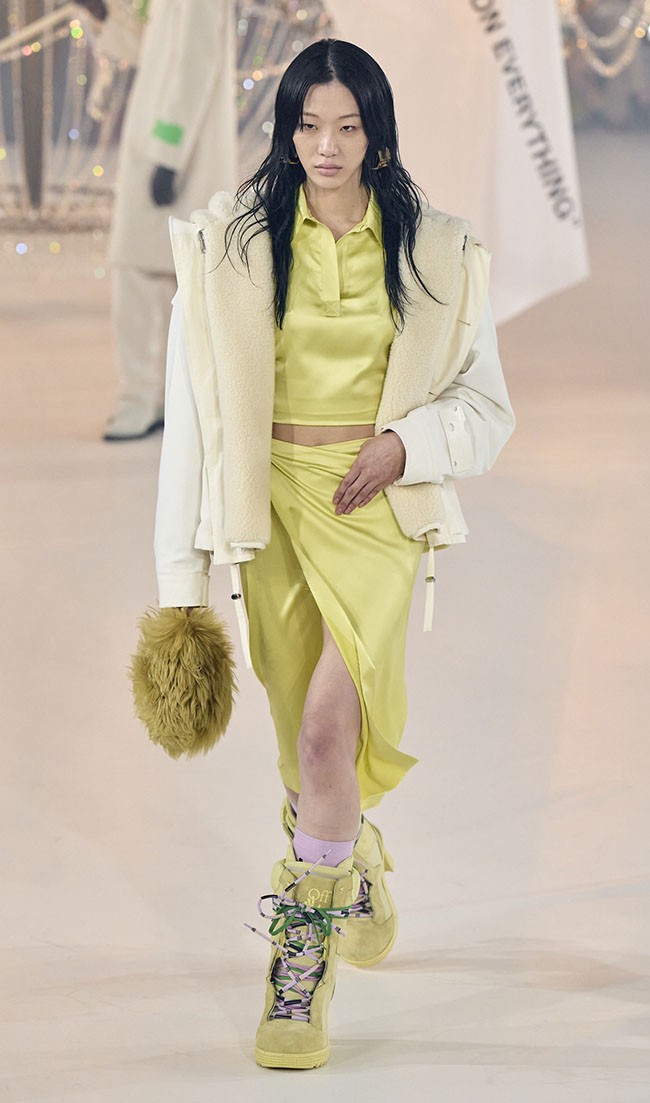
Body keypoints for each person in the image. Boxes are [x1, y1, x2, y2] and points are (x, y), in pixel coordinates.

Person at [153, 38, 515, 1069]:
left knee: (324, 735)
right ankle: (349, 859)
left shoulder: (433, 252)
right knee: (298, 746)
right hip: (267, 513)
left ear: (376, 133)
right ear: (285, 132)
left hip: (374, 509)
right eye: (309, 125)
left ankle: (298, 960)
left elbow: (487, 409)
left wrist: (407, 445)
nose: (326, 146)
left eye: (347, 126)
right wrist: (180, 583)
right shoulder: (231, 248)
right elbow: (195, 423)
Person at [99, 0, 237, 440]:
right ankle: (161, 400)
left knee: (142, 271)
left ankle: (142, 400)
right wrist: (103, 16)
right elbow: (148, 49)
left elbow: (197, 63)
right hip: (159, 146)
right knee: (167, 274)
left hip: (175, 154)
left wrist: (168, 154)